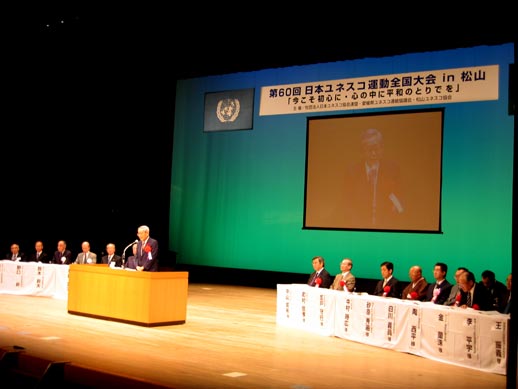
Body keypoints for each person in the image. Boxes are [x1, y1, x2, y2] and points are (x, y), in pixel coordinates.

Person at [344, 128, 404, 228]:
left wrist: (396, 209)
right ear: (362, 150)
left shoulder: (393, 170)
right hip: (358, 226)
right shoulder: (352, 173)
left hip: (387, 226)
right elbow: (347, 203)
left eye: (376, 148)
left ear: (382, 148)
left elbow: (400, 199)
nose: (373, 153)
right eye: (369, 149)